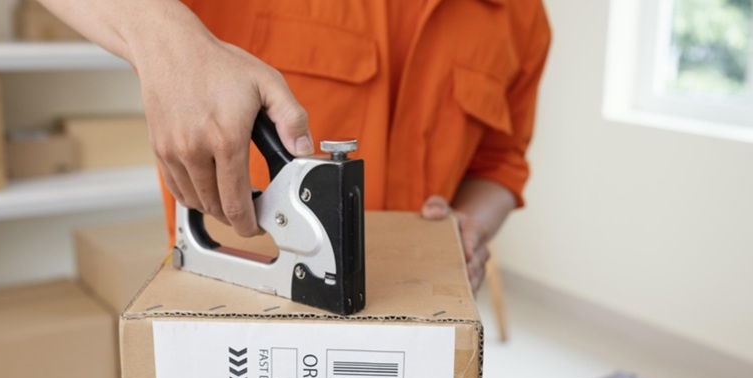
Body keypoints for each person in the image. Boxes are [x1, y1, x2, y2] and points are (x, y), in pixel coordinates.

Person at [40, 0, 551, 292]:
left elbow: (499, 163)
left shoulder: (520, 16)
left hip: (414, 305)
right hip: (238, 297)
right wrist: (171, 46)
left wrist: (471, 225)